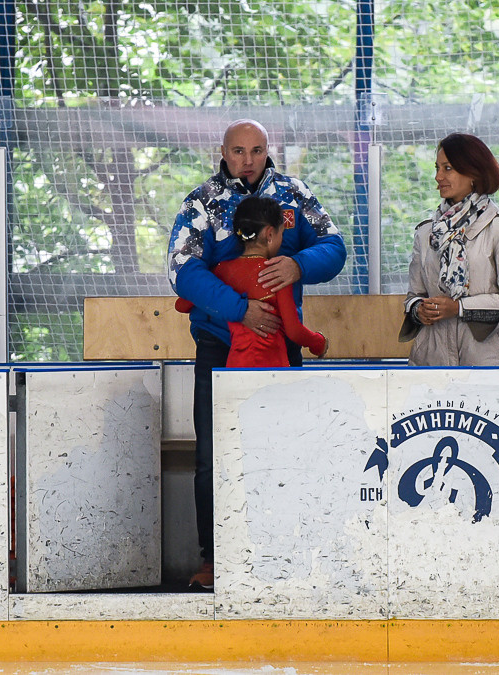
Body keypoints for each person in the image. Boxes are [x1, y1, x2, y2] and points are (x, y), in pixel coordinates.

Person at [167, 119, 346, 590]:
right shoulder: (202, 202)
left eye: (257, 149)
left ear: (269, 151)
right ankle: (213, 558)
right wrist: (240, 309)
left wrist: (298, 263)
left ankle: (283, 551)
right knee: (212, 456)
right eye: (238, 150)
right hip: (218, 347)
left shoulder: (294, 194)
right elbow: (183, 271)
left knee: (283, 450)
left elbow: (334, 245)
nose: (247, 159)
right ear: (223, 153)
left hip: (281, 350)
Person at [398, 132, 499, 366]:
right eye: (437, 168)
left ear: (473, 172)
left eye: (447, 168)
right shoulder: (425, 232)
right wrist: (419, 310)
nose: (438, 176)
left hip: (487, 364)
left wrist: (459, 308)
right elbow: (413, 296)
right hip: (430, 362)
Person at [175, 196, 329, 366]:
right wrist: (318, 343)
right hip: (274, 368)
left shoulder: (220, 271)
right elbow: (293, 331)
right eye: (281, 234)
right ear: (270, 234)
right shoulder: (278, 275)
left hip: (235, 367)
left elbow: (182, 305)